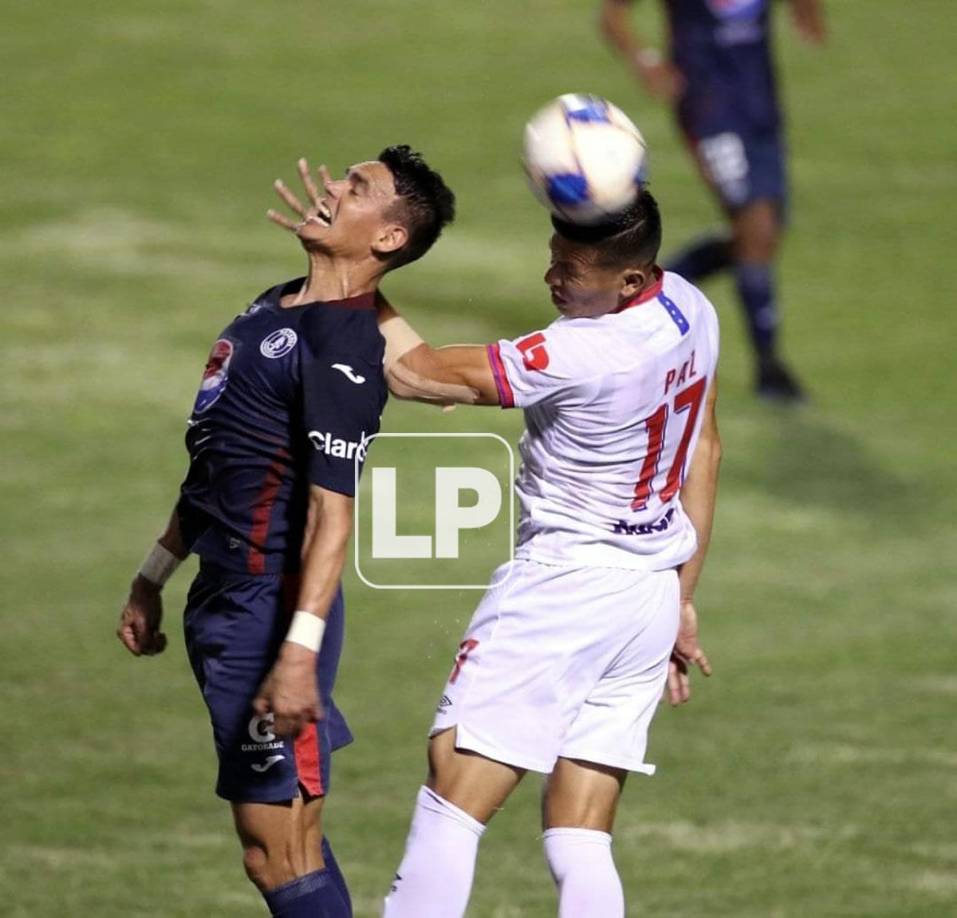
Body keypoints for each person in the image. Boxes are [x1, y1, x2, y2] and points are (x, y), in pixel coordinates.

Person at [116, 146, 455, 918]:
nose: (332, 188)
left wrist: (296, 655)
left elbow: (333, 516)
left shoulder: (342, 347)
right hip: (222, 600)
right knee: (286, 847)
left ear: (390, 239)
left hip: (272, 613)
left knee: (278, 854)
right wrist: (152, 574)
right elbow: (215, 465)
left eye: (356, 188)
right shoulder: (272, 307)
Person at [377, 190, 721, 917]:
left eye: (571, 269)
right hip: (646, 596)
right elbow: (704, 450)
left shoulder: (578, 351)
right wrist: (682, 597)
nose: (551, 281)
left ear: (629, 280)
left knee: (453, 796)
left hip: (563, 590)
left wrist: (355, 282)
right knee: (579, 831)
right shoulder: (689, 306)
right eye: (552, 260)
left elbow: (411, 373)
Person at [600, 0, 825, 401]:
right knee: (756, 228)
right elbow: (613, 14)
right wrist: (646, 60)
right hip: (710, 110)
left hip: (761, 108)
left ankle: (639, 295)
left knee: (762, 236)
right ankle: (769, 369)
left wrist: (806, 11)